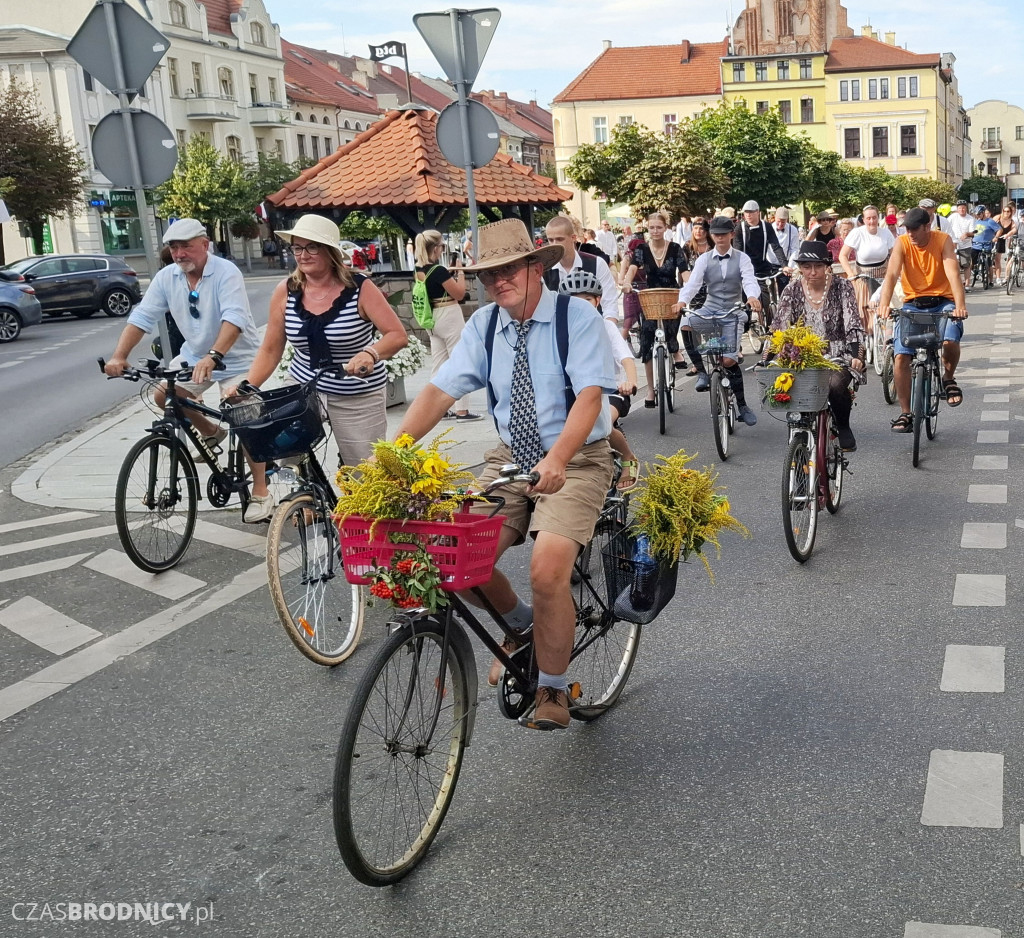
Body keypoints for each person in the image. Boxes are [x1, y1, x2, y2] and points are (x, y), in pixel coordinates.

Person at [396, 217, 616, 730]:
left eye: (509, 268)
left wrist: (559, 458)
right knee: (454, 559)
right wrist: (395, 453)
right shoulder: (485, 325)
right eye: (488, 275)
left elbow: (589, 397)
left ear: (533, 267)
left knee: (547, 569)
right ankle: (521, 629)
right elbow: (438, 391)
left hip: (577, 458)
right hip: (510, 456)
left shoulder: (576, 320)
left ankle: (554, 689)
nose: (498, 282)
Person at [226, 214, 407, 519]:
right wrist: (248, 387)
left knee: (366, 473)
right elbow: (271, 348)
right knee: (284, 449)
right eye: (297, 248)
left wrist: (371, 354)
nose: (302, 255)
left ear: (330, 251)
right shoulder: (286, 291)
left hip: (356, 393)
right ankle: (307, 497)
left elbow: (397, 335)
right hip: (304, 389)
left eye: (311, 248)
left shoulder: (360, 288)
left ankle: (367, 523)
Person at [103, 218, 263, 501]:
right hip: (194, 356)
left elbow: (234, 319)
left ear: (205, 245)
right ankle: (211, 431)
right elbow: (142, 316)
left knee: (244, 416)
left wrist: (214, 356)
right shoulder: (168, 277)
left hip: (238, 358)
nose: (179, 254)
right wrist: (120, 356)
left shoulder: (226, 272)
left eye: (185, 247)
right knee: (165, 395)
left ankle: (261, 492)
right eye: (174, 248)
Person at [875, 206, 969, 432]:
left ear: (927, 226)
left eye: (915, 229)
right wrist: (884, 304)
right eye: (907, 229)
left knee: (949, 341)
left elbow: (953, 273)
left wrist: (960, 306)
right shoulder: (903, 243)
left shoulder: (942, 240)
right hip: (913, 303)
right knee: (900, 356)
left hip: (943, 301)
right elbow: (891, 274)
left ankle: (948, 378)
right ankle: (906, 412)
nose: (910, 234)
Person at [774, 241, 865, 450]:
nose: (812, 272)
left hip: (838, 353)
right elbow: (779, 327)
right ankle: (799, 440)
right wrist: (767, 359)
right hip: (801, 354)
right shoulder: (792, 289)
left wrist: (856, 355)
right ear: (800, 268)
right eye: (806, 266)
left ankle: (843, 426)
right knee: (787, 385)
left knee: (834, 385)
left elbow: (853, 323)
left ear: (827, 266)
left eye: (818, 266)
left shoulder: (842, 286)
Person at [557, 269, 640, 491]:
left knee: (600, 421)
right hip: (576, 391)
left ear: (598, 300)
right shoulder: (559, 331)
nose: (582, 306)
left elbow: (626, 359)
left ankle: (628, 457)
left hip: (612, 391)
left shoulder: (605, 326)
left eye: (587, 300)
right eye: (574, 302)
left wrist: (629, 382)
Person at [676, 214, 761, 425]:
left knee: (729, 360)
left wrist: (752, 296)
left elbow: (750, 280)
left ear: (732, 234)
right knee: (686, 324)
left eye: (723, 234)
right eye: (715, 234)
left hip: (732, 311)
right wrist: (682, 301)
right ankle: (703, 372)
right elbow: (693, 284)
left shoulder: (742, 258)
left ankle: (742, 405)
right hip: (710, 308)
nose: (719, 238)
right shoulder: (704, 258)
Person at [622, 211, 689, 407]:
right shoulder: (642, 249)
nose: (655, 231)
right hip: (651, 297)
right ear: (647, 228)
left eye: (659, 227)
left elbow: (684, 271)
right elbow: (633, 268)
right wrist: (627, 282)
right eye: (651, 227)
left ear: (666, 228)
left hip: (671, 295)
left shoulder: (676, 248)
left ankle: (675, 349)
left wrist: (690, 285)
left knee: (672, 323)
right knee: (647, 341)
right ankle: (651, 390)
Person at [413, 229, 480, 421]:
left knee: (439, 363)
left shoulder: (418, 269)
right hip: (448, 315)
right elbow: (459, 293)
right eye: (442, 246)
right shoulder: (439, 271)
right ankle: (462, 410)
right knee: (460, 360)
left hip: (431, 317)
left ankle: (438, 408)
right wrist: (459, 270)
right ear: (435, 248)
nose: (443, 249)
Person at [543, 215, 619, 321]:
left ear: (573, 238)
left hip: (593, 328)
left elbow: (610, 304)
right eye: (550, 240)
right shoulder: (543, 269)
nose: (554, 244)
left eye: (560, 239)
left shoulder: (596, 263)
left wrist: (607, 331)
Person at [839, 204, 894, 330]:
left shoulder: (885, 233)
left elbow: (894, 255)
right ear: (863, 220)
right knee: (863, 310)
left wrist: (893, 272)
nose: (872, 221)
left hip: (883, 276)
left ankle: (885, 340)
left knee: (886, 309)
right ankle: (863, 342)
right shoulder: (857, 233)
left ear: (878, 218)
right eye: (868, 218)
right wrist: (850, 273)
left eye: (874, 218)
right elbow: (843, 255)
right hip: (863, 277)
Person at [946, 200, 976, 288]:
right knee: (954, 264)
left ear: (966, 208)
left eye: (963, 208)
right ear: (957, 209)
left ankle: (967, 284)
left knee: (966, 264)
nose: (962, 209)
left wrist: (967, 234)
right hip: (953, 244)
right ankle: (956, 283)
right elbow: (946, 226)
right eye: (960, 208)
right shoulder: (952, 217)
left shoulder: (970, 218)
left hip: (965, 244)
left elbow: (973, 232)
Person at [970, 206, 1002, 285]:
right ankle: (974, 271)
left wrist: (996, 237)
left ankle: (991, 281)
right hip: (976, 245)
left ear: (983, 213)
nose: (977, 216)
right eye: (976, 214)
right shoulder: (976, 222)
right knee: (971, 261)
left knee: (989, 263)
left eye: (979, 214)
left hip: (986, 245)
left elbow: (999, 229)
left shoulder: (990, 221)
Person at [993, 204, 1017, 284]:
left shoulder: (1011, 221)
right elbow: (990, 225)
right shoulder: (998, 218)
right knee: (996, 259)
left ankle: (1003, 277)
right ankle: (997, 277)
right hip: (996, 239)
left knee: (1004, 258)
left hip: (1005, 239)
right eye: (1005, 211)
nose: (1006, 213)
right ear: (1002, 211)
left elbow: (1014, 230)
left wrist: (1008, 234)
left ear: (1011, 212)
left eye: (1008, 211)